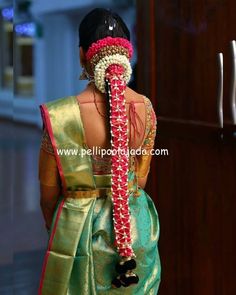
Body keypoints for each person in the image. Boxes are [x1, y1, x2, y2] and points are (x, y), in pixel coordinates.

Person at [38, 8, 161, 295]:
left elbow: (47, 196)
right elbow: (139, 181)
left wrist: (56, 228)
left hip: (79, 234)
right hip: (135, 229)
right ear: (126, 55)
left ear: (82, 55)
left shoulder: (60, 116)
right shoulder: (146, 108)